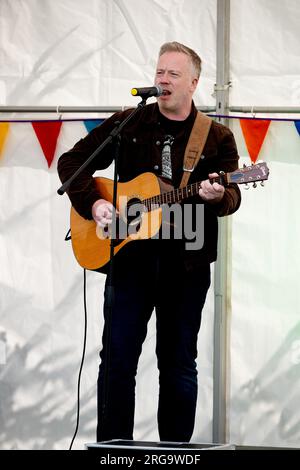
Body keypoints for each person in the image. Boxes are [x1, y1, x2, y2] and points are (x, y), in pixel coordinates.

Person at [57, 41, 241, 443]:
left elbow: (232, 196)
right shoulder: (129, 124)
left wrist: (220, 195)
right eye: (159, 72)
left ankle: (174, 452)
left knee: (177, 364)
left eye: (173, 74)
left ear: (194, 83)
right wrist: (96, 207)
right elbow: (71, 164)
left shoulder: (217, 137)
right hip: (129, 263)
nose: (162, 80)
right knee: (118, 361)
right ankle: (112, 450)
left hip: (187, 264)